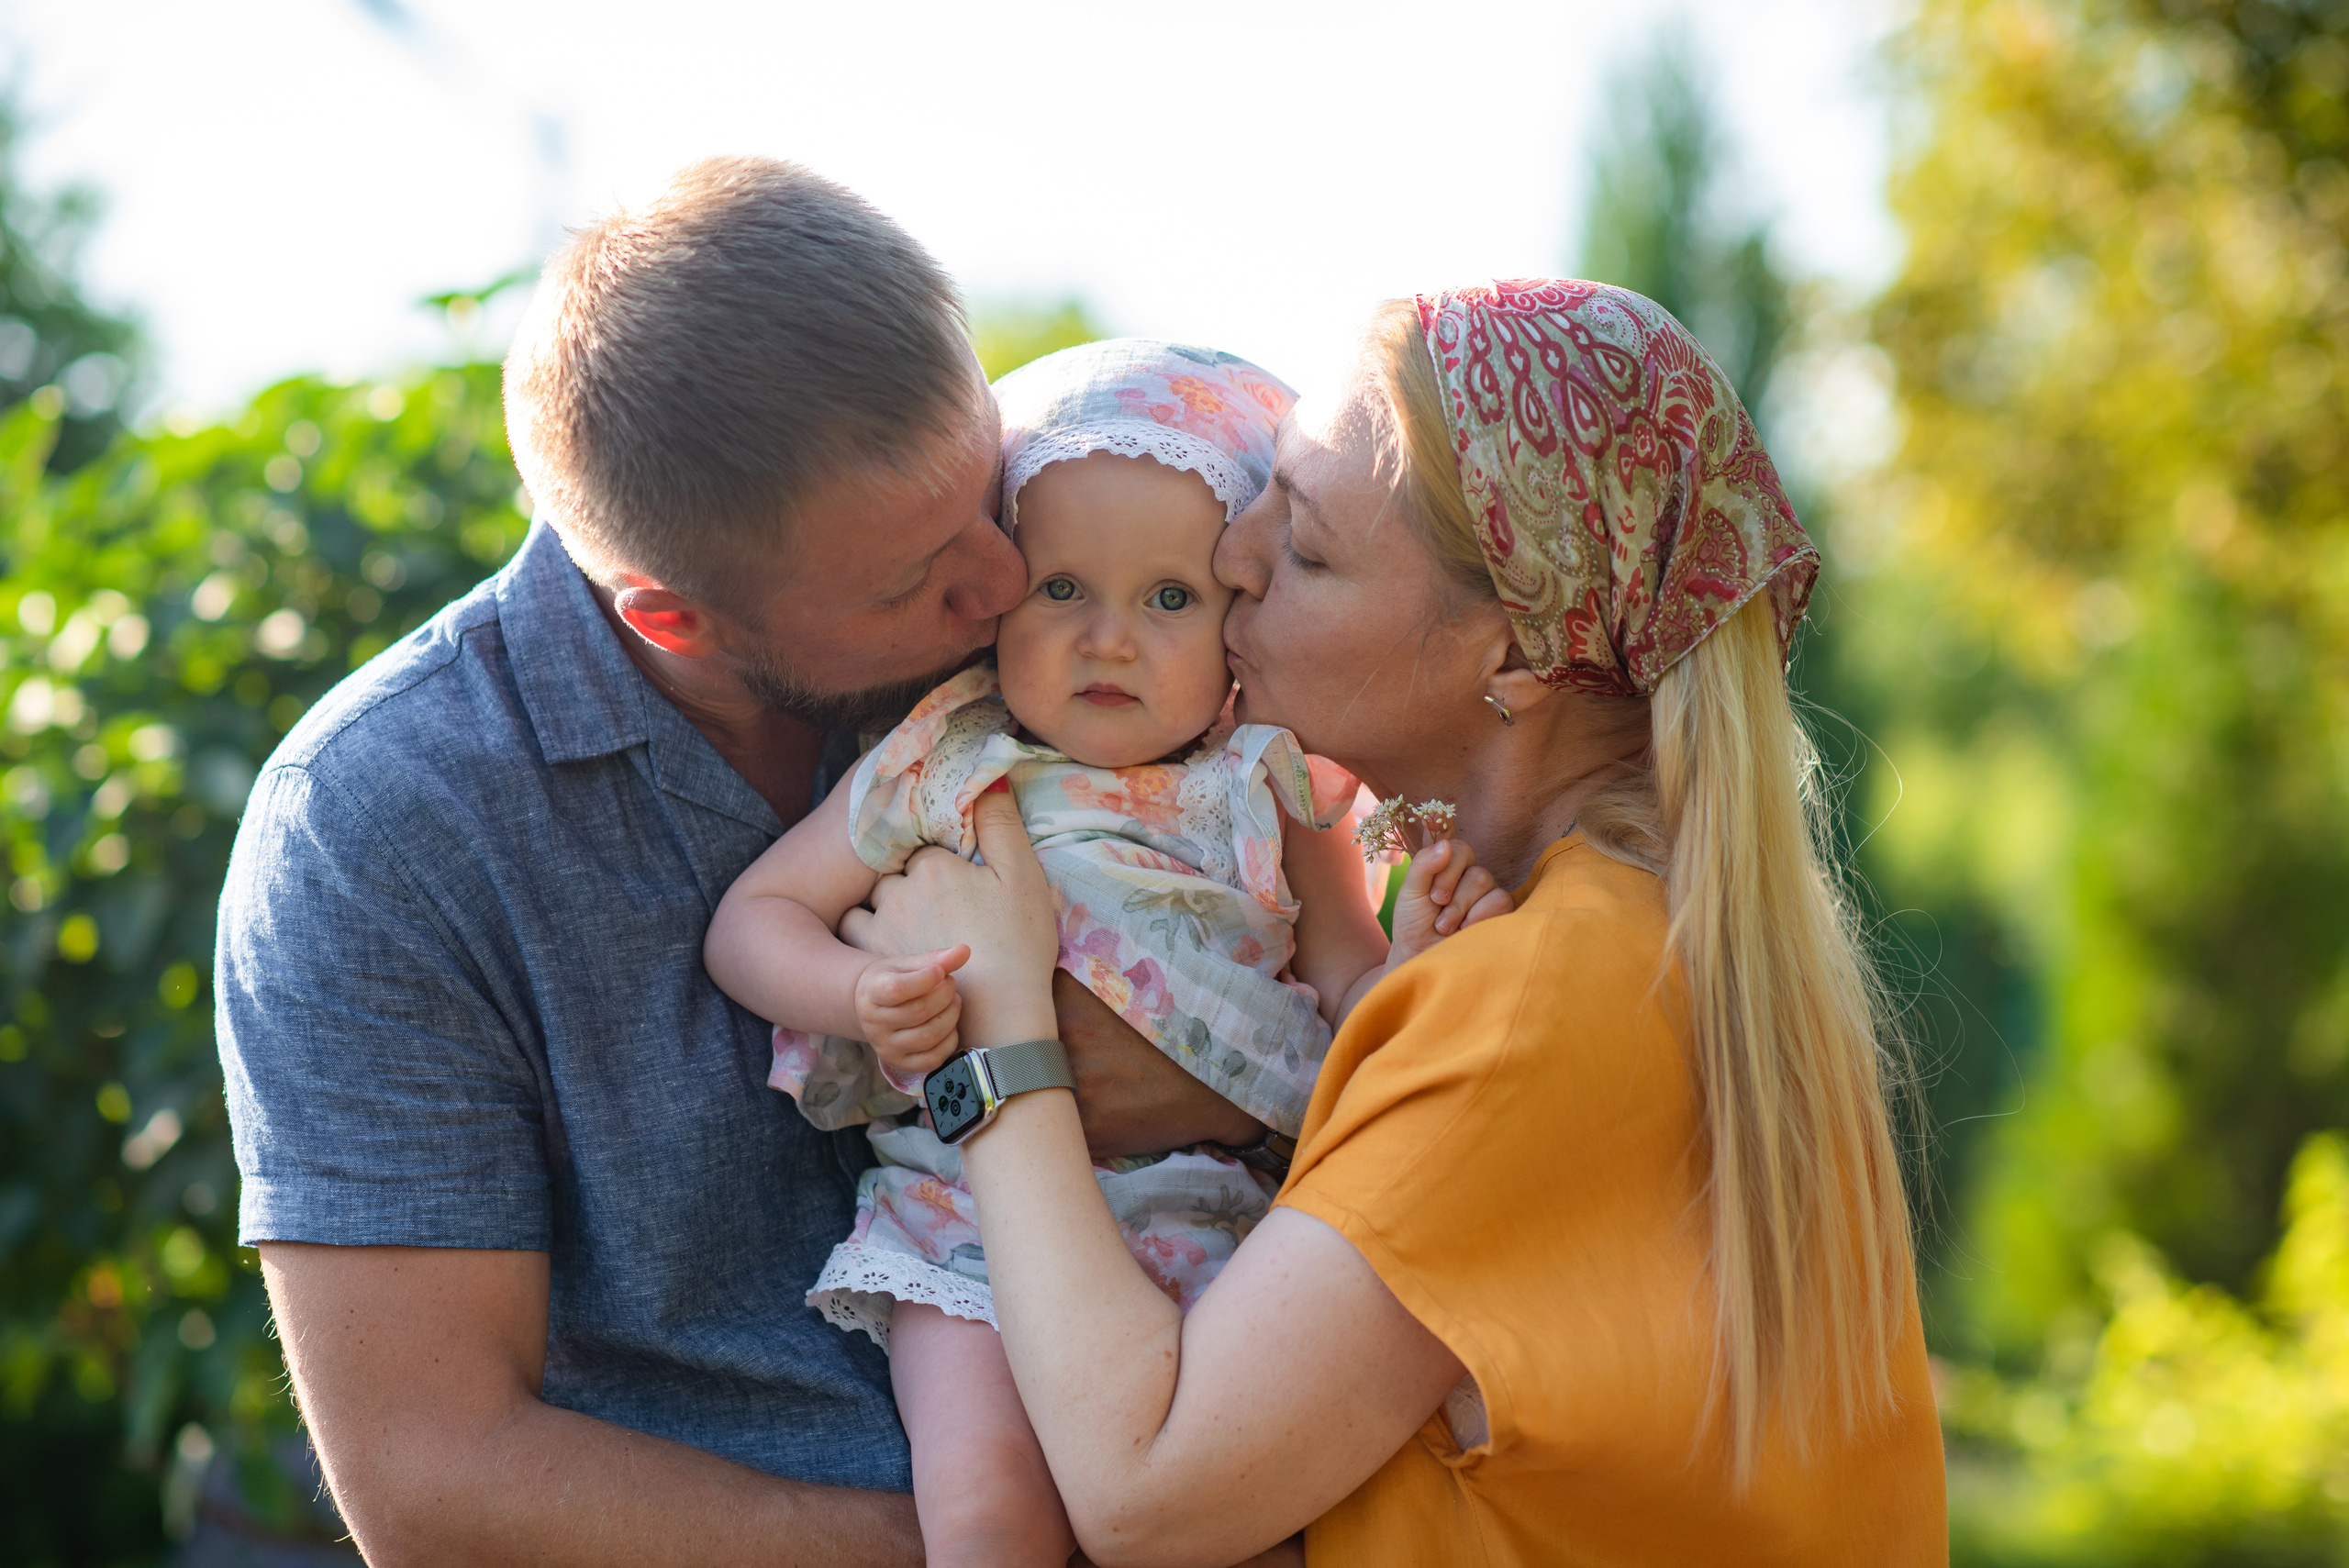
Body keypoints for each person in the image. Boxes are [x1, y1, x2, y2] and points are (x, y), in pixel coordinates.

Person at [213, 159, 1272, 1565]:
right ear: (673, 617)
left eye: (989, 497)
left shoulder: (1062, 629)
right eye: (917, 581)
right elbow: (433, 1472)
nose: (1004, 584)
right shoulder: (382, 828)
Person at [844, 281, 1951, 1565]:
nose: (1232, 556)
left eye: (1307, 549)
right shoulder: (1633, 941)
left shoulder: (1538, 999)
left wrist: (1003, 1029)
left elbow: (1147, 1491)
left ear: (1514, 657)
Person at [706, 340, 1508, 1566]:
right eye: (1061, 589)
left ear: (1239, 621)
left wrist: (1403, 966)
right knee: (987, 1515)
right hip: (960, 1219)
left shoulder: (1272, 780)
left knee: (1256, 1528)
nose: (1108, 640)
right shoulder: (945, 755)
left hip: (1218, 1221)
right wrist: (858, 994)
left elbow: (1342, 977)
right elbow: (752, 921)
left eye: (1168, 598)